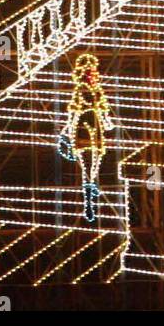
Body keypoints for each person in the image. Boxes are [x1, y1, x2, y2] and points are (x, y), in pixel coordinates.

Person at [59, 53, 115, 223]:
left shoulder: (95, 89)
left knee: (92, 163)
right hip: (86, 125)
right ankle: (89, 196)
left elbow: (101, 111)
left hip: (90, 125)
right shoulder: (84, 88)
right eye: (91, 70)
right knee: (89, 164)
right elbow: (75, 111)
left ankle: (90, 192)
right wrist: (67, 131)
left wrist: (106, 122)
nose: (94, 74)